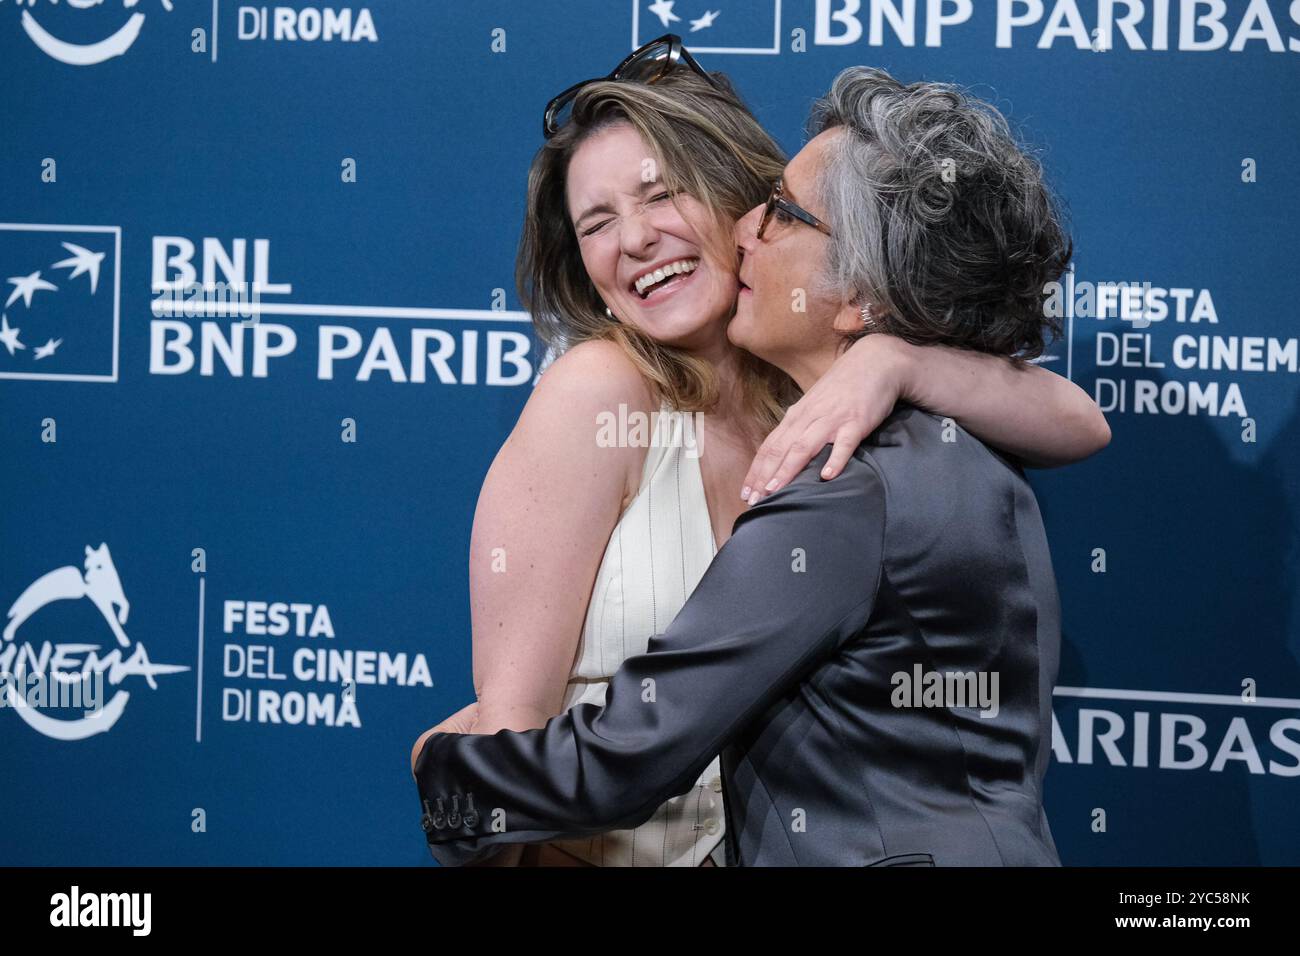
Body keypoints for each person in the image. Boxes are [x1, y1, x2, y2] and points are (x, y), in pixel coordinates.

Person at [419, 40, 1107, 867]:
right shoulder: (596, 393)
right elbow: (515, 739)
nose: (634, 239)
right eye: (596, 222)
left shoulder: (840, 416)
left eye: (662, 194)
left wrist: (899, 360)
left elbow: (1082, 420)